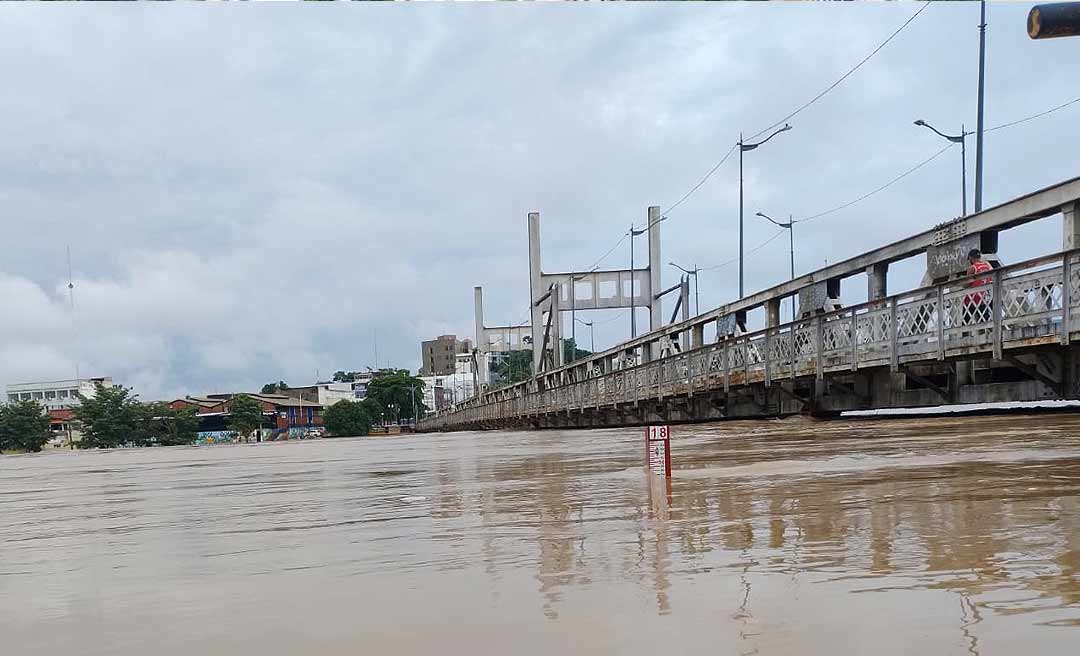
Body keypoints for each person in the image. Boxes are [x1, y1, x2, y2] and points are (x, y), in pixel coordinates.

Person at [964, 248, 993, 326]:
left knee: (965, 321)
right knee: (984, 320)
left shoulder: (972, 268)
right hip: (985, 297)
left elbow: (967, 283)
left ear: (971, 258)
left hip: (973, 298)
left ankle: (965, 335)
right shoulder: (987, 266)